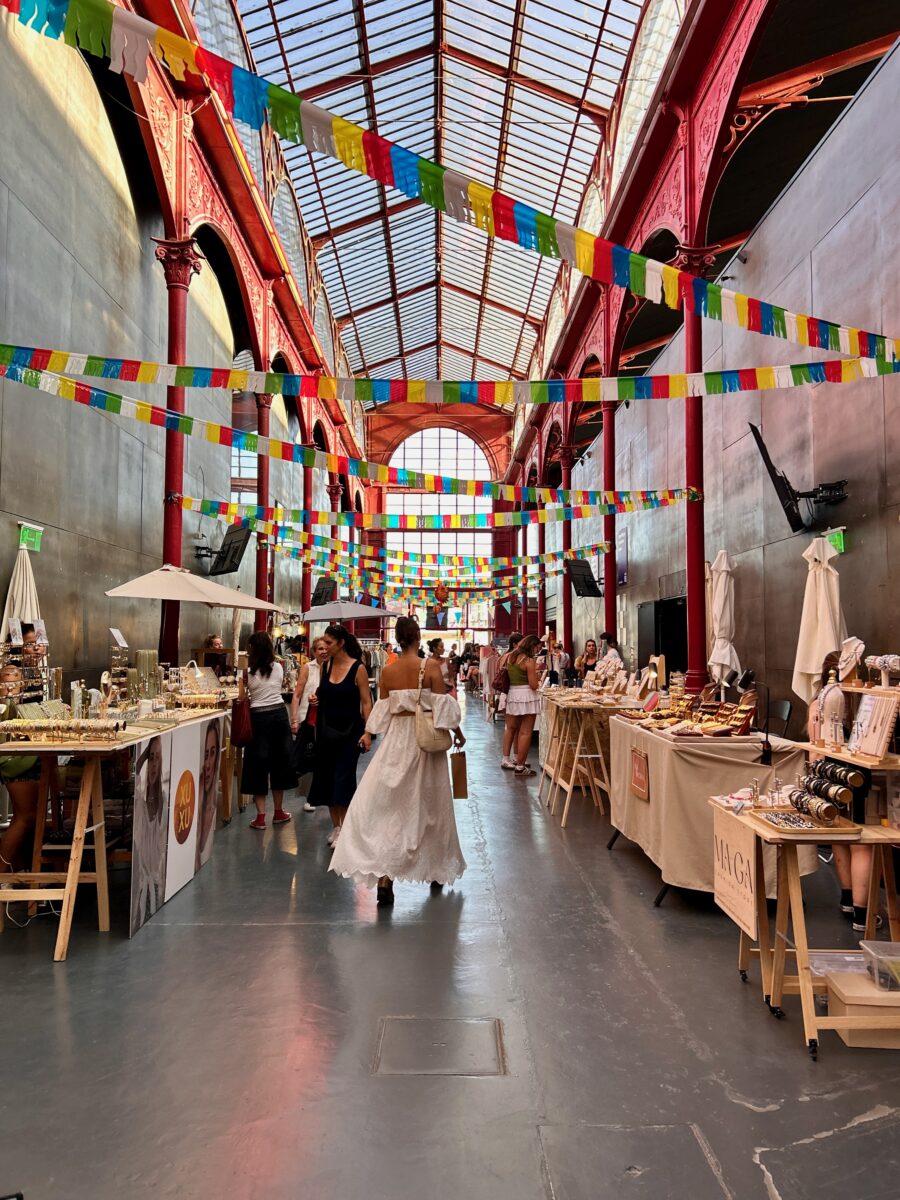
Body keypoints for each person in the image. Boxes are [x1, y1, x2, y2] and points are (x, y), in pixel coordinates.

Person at [330, 615, 466, 907]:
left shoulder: (388, 672)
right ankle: (436, 868)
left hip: (396, 742)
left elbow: (381, 711)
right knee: (430, 805)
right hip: (424, 744)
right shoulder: (429, 667)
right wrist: (458, 733)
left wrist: (368, 733)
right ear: (417, 636)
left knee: (392, 809)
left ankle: (385, 877)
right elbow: (443, 709)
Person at [809, 650, 879, 932]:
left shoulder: (819, 701)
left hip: (824, 772)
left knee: (839, 836)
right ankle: (863, 914)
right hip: (854, 771)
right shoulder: (858, 701)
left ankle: (848, 898)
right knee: (862, 843)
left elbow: (814, 739)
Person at [306, 624, 373, 845]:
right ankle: (336, 826)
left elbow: (366, 702)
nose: (325, 646)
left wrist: (368, 732)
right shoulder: (326, 666)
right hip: (326, 731)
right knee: (326, 779)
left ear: (341, 643)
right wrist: (315, 699)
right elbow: (322, 693)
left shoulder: (358, 668)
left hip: (349, 733)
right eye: (323, 642)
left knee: (342, 778)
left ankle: (345, 828)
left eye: (329, 642)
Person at [242, 631, 297, 830]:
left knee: (257, 765)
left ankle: (260, 816)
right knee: (280, 763)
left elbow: (242, 697)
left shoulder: (247, 673)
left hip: (258, 719)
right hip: (279, 717)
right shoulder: (279, 668)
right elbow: (276, 688)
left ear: (253, 649)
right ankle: (279, 811)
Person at [0, 664, 42, 874]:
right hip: (15, 762)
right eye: (5, 683)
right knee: (26, 817)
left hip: (26, 758)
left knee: (23, 817)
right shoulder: (4, 707)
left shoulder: (23, 704)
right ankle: (3, 871)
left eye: (14, 683)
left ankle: (18, 872)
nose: (9, 688)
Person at [131, 735, 168, 929]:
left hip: (158, 887)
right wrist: (144, 754)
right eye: (151, 758)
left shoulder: (164, 801)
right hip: (142, 890)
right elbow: (135, 773)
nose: (153, 764)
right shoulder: (140, 802)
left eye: (157, 758)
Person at [290, 636, 328, 813]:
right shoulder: (308, 668)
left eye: (326, 648)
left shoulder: (334, 667)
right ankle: (310, 796)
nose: (323, 651)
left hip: (327, 720)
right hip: (308, 718)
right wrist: (295, 719)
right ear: (313, 651)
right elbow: (297, 694)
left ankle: (325, 793)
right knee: (309, 756)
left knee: (324, 757)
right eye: (319, 648)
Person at [500, 634, 542, 776]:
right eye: (537, 647)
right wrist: (538, 678)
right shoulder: (529, 661)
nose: (538, 650)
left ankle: (506, 758)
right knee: (525, 732)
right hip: (527, 696)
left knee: (510, 728)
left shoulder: (509, 657)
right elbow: (533, 685)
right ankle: (520, 766)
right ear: (531, 646)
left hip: (512, 694)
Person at [196, 719, 221, 869]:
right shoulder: (196, 801)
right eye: (205, 755)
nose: (208, 764)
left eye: (212, 754)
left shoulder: (211, 806)